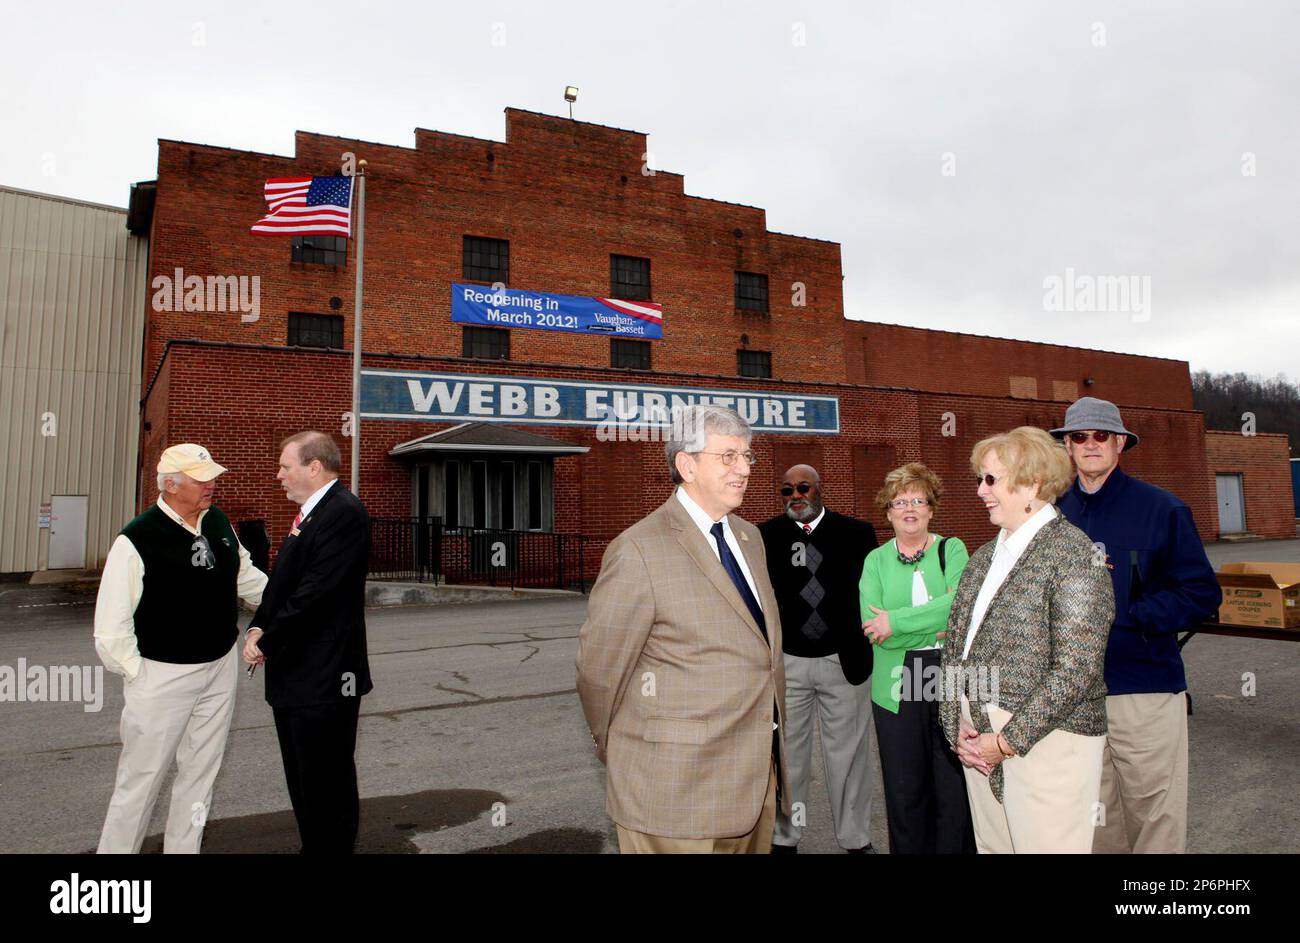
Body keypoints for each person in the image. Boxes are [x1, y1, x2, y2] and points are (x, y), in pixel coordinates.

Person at [576, 405, 789, 853]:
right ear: (686, 464)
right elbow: (599, 672)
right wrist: (620, 750)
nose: (743, 468)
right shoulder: (638, 550)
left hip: (753, 784)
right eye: (727, 456)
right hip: (673, 792)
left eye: (747, 456)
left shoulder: (751, 539)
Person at [1050, 397, 1222, 854]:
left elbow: (1202, 594)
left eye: (1100, 435)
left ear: (1121, 443)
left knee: (1155, 820)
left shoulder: (1162, 509)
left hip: (1143, 689)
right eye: (1079, 437)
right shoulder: (1050, 515)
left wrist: (1128, 615)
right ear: (1067, 446)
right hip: (1072, 695)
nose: (1090, 444)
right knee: (1095, 819)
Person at [939, 427, 1115, 853]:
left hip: (1049, 744)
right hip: (978, 740)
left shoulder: (1075, 554)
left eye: (990, 479)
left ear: (1032, 484)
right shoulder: (983, 557)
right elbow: (956, 650)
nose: (981, 491)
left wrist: (1005, 742)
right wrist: (955, 725)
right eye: (980, 479)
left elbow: (1076, 670)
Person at [94, 443, 267, 853]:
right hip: (161, 674)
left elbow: (246, 579)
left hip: (219, 666)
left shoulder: (218, 522)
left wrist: (293, 603)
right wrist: (140, 675)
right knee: (142, 778)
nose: (211, 485)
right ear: (170, 485)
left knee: (201, 772)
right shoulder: (137, 539)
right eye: (200, 478)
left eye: (211, 476)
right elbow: (111, 627)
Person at [242, 431, 373, 854]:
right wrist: (259, 627)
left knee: (325, 780)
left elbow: (317, 592)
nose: (278, 475)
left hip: (326, 677)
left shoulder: (343, 513)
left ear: (314, 467)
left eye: (285, 466)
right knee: (303, 778)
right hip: (298, 677)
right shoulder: (311, 514)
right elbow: (282, 587)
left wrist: (268, 640)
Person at [759, 464, 878, 854]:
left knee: (849, 758)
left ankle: (855, 839)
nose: (796, 495)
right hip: (788, 663)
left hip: (843, 662)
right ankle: (786, 837)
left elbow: (872, 593)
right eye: (787, 490)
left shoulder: (857, 533)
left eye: (803, 487)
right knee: (788, 758)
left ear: (820, 490)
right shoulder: (765, 536)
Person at [860, 462, 974, 854]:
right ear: (888, 511)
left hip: (946, 674)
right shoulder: (875, 561)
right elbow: (874, 631)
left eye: (918, 500)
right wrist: (934, 625)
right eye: (900, 501)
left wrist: (897, 622)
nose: (909, 508)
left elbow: (962, 607)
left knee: (952, 782)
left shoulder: (951, 549)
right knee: (905, 786)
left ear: (931, 509)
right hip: (896, 679)